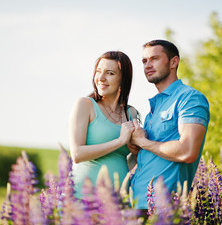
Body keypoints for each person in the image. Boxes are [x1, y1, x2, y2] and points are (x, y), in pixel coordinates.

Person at [129, 40, 210, 212]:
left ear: (174, 62)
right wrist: (138, 148)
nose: (148, 65)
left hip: (164, 209)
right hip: (136, 204)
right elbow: (158, 152)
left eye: (154, 59)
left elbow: (187, 151)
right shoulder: (155, 106)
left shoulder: (189, 98)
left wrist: (143, 143)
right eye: (144, 61)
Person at [69, 51, 139, 199]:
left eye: (110, 73)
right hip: (84, 196)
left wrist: (137, 154)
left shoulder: (130, 113)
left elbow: (123, 161)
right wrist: (120, 141)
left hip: (117, 199)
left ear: (123, 79)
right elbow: (77, 154)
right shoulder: (85, 105)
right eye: (98, 71)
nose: (101, 78)